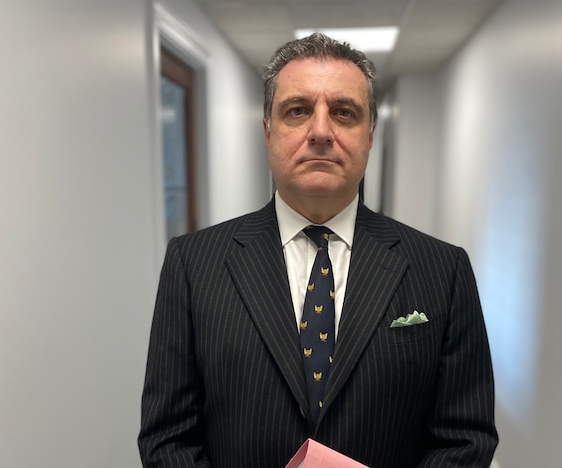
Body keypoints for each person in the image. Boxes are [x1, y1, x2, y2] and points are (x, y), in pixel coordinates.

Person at [138, 33, 497, 468]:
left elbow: (465, 439)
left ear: (370, 134)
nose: (321, 131)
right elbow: (168, 437)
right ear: (268, 131)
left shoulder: (443, 270)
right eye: (298, 111)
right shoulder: (193, 265)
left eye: (344, 113)